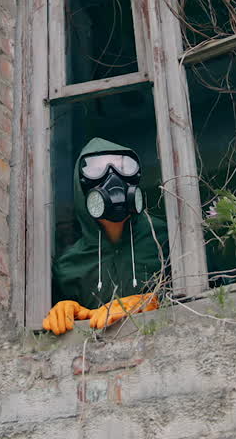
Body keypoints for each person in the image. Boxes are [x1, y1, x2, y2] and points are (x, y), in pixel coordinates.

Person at [43, 138, 169, 335]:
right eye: (95, 170)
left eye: (123, 166)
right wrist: (67, 310)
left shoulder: (164, 238)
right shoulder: (69, 266)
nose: (113, 178)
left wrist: (152, 301)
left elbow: (206, 292)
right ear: (81, 188)